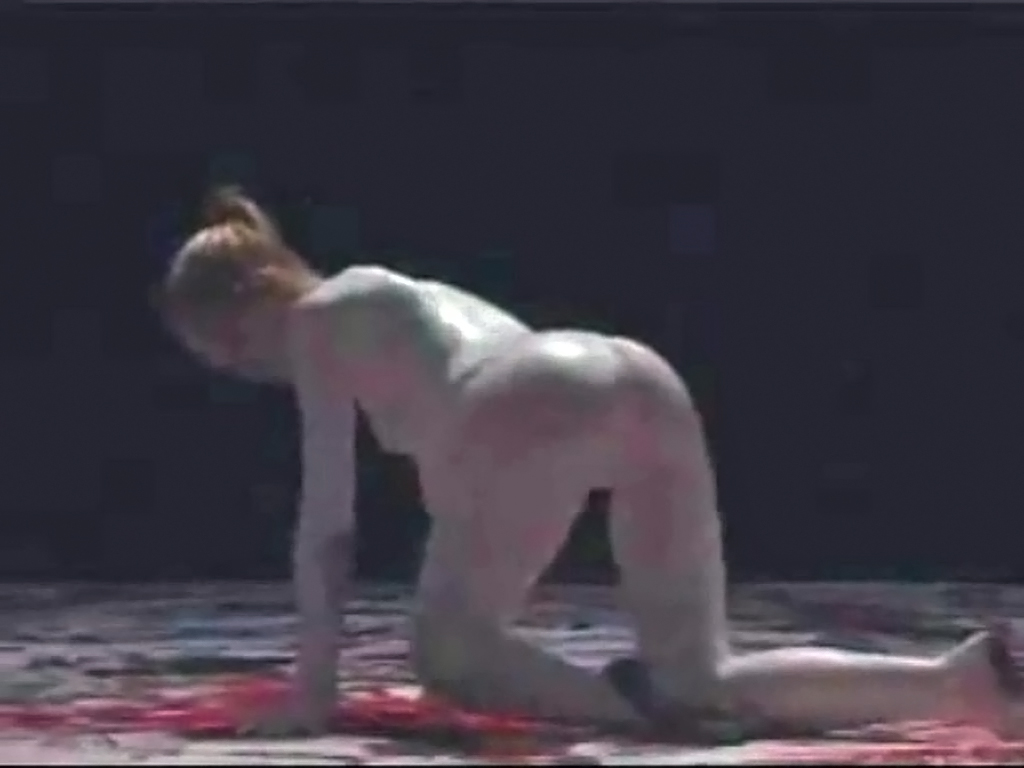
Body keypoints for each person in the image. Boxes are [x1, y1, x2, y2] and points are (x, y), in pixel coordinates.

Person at [156, 187, 1023, 739]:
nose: (247, 372)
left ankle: (644, 715)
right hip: (635, 376)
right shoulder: (403, 304)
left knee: (446, 651)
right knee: (701, 670)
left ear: (249, 306)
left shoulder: (317, 320)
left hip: (530, 393)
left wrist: (313, 693)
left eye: (232, 355)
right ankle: (957, 684)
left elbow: (327, 525)